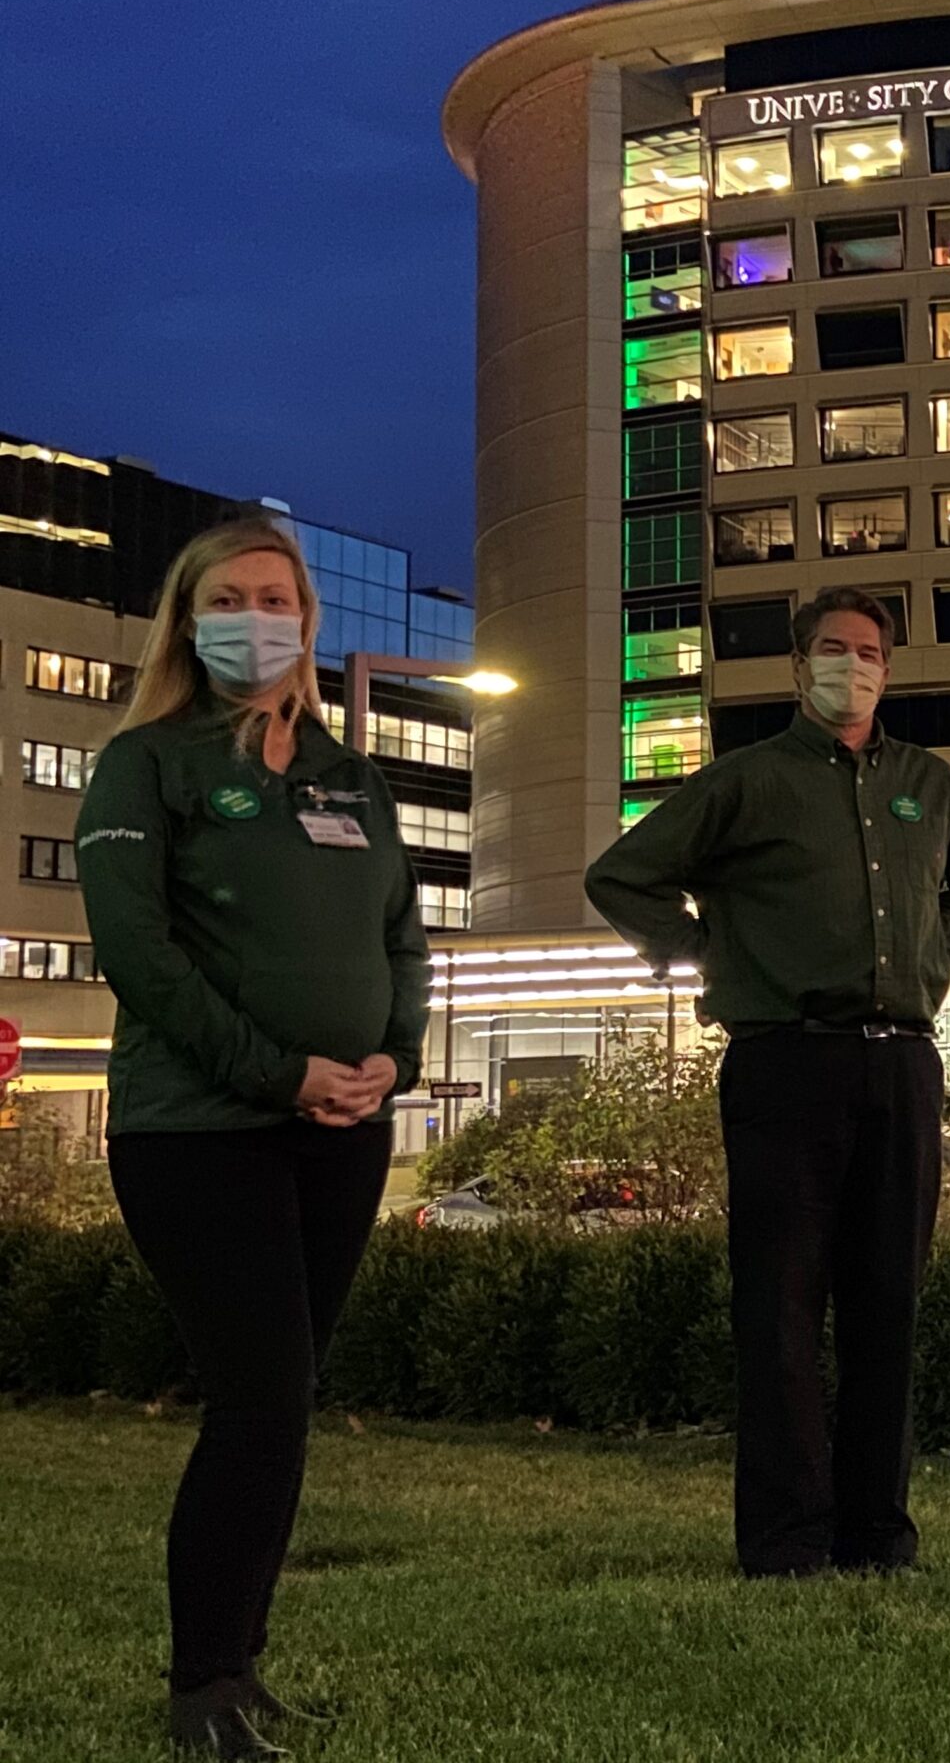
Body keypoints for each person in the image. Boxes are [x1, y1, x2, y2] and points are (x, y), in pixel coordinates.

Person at [74, 520, 430, 1759]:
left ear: (307, 621)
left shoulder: (348, 776)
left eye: (274, 597)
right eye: (227, 598)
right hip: (200, 1131)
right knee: (259, 1399)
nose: (254, 617)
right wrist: (278, 1074)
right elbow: (140, 958)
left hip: (343, 1129)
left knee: (287, 1401)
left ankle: (241, 1664)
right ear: (188, 619)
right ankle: (202, 1688)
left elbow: (403, 937)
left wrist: (398, 1059)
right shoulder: (144, 767)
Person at [585, 584, 950, 1579]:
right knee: (778, 1308)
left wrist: (938, 958)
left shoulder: (931, 785)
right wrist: (713, 956)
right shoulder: (744, 783)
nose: (848, 664)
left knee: (887, 1309)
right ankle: (784, 1538)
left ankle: (876, 1534)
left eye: (867, 650)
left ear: (888, 668)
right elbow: (620, 875)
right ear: (796, 664)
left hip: (902, 1064)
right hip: (784, 1061)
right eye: (830, 647)